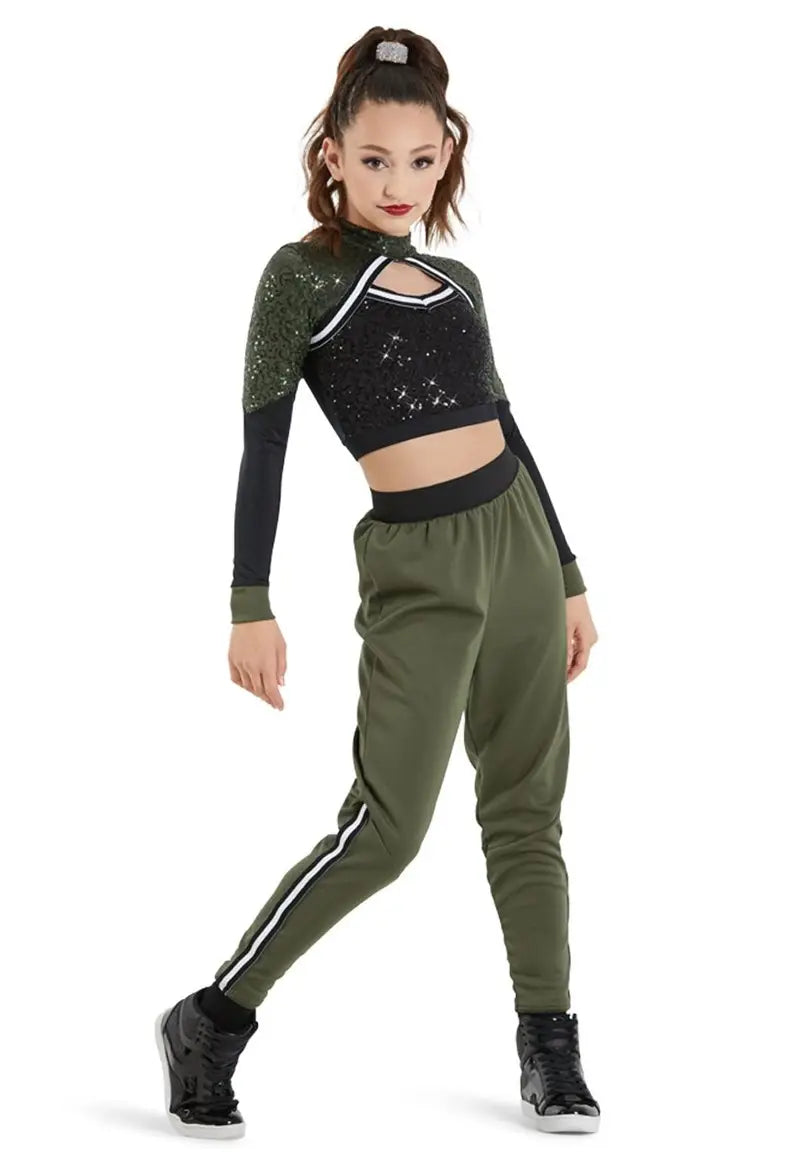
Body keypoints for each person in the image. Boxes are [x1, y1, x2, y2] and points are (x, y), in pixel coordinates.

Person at [155, 26, 601, 1141]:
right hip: (417, 563)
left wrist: (566, 574)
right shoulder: (301, 276)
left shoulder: (458, 282)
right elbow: (263, 446)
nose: (398, 182)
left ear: (447, 154)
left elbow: (507, 426)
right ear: (332, 157)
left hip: (516, 542)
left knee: (526, 806)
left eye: (420, 159)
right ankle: (212, 1017)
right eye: (373, 159)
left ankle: (549, 1040)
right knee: (387, 828)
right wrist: (248, 600)